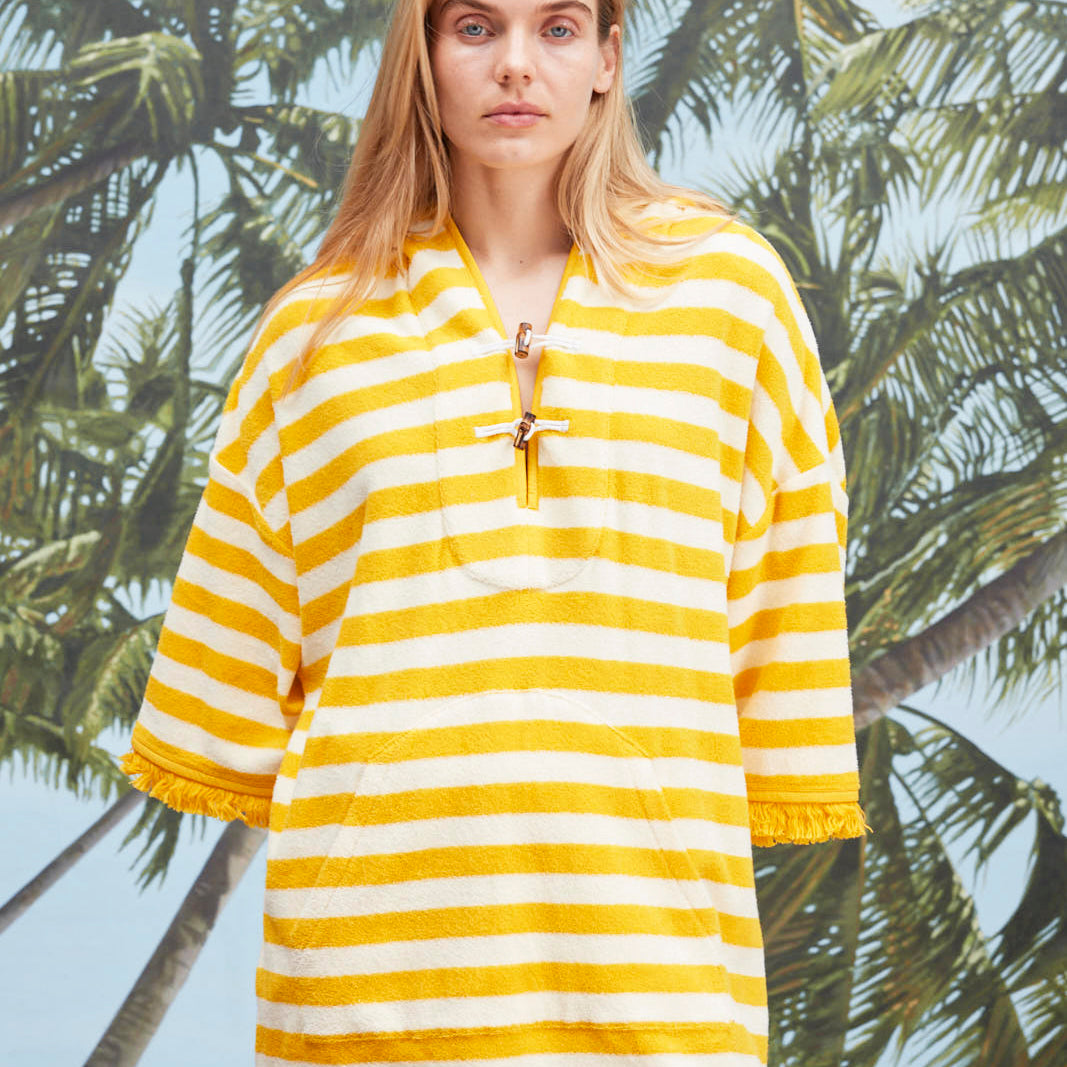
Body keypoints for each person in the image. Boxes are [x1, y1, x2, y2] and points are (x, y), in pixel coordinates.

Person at [121, 0, 869, 1063]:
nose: (516, 64)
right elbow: (230, 673)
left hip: (657, 981)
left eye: (557, 29)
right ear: (420, 56)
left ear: (608, 58)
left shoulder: (730, 301)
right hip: (368, 986)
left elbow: (780, 600)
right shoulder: (312, 334)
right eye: (474, 27)